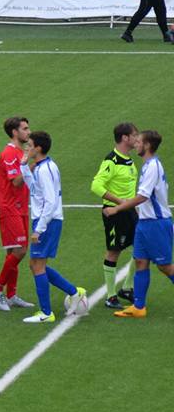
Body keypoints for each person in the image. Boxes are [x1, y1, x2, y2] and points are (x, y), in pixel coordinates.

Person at [104, 130, 173, 318]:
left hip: (156, 224)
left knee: (165, 266)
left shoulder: (152, 167)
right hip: (144, 223)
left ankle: (139, 305)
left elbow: (142, 197)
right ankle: (139, 307)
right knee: (141, 261)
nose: (136, 144)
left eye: (139, 141)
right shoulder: (147, 165)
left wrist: (116, 209)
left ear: (147, 145)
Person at [19, 131, 87, 323]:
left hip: (46, 221)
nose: (27, 147)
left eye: (30, 145)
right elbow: (32, 187)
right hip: (44, 220)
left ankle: (46, 313)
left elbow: (50, 202)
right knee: (34, 264)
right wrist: (23, 164)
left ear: (38, 148)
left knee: (38, 266)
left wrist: (38, 229)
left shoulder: (44, 170)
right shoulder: (42, 167)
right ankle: (74, 292)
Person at [0, 117, 35, 312]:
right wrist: (32, 163)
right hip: (10, 208)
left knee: (12, 252)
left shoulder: (18, 152)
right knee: (21, 250)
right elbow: (15, 181)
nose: (29, 132)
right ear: (14, 132)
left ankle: (11, 294)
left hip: (21, 207)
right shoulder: (9, 153)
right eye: (25, 128)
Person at [91, 122, 140, 309]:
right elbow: (96, 186)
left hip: (129, 211)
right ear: (125, 138)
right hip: (115, 213)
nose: (137, 139)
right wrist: (122, 203)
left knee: (141, 247)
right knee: (114, 251)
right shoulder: (111, 161)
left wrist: (132, 207)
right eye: (134, 135)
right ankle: (111, 296)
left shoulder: (129, 160)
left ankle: (127, 286)